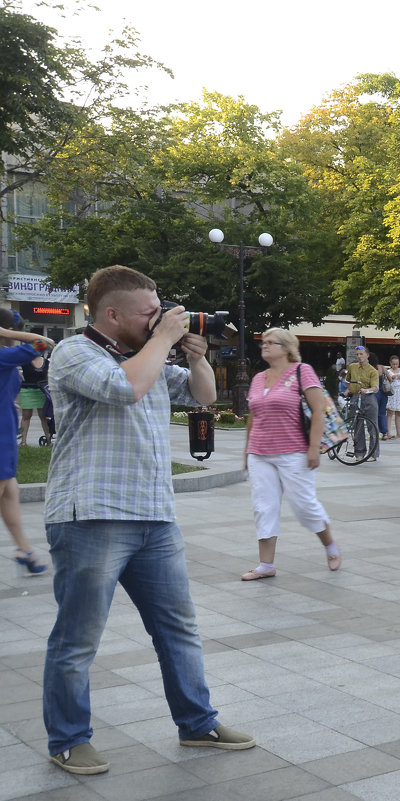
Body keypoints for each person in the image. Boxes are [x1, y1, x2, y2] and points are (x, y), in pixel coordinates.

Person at [41, 265, 254, 775]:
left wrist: (197, 358)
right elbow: (125, 389)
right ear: (111, 314)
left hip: (155, 517)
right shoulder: (74, 353)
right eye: (148, 313)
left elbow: (202, 397)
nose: (159, 319)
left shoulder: (150, 355)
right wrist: (162, 340)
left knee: (178, 629)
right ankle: (69, 739)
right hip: (91, 517)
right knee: (77, 639)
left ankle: (197, 723)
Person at [241, 328, 340, 581]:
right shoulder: (258, 378)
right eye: (263, 342)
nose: (264, 346)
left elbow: (319, 410)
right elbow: (253, 417)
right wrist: (246, 451)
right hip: (259, 453)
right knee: (263, 507)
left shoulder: (301, 371)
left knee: (304, 506)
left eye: (270, 342)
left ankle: (330, 545)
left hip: (294, 451)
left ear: (286, 348)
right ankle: (266, 565)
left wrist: (313, 448)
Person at [0, 309, 52, 574]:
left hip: (6, 429)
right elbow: (43, 343)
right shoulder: (3, 355)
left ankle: (24, 549)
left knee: (9, 492)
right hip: (1, 433)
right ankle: (25, 549)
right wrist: (8, 333)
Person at [344, 345, 380, 461]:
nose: (359, 356)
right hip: (356, 397)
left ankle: (373, 454)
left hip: (369, 398)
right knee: (357, 426)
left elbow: (375, 388)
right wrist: (349, 389)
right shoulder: (352, 367)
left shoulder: (373, 371)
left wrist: (366, 390)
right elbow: (347, 379)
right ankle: (359, 453)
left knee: (372, 426)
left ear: (367, 355)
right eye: (357, 354)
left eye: (361, 354)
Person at [18, 352, 49, 446]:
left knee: (44, 416)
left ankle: (48, 440)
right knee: (26, 416)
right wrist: (20, 376)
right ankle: (23, 442)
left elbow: (48, 376)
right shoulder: (25, 361)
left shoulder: (47, 362)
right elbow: (12, 366)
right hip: (27, 390)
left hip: (41, 391)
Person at [383, 354, 400, 439]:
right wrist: (392, 378)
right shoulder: (388, 371)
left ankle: (399, 433)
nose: (395, 366)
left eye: (396, 364)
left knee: (399, 412)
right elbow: (386, 383)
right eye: (393, 364)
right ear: (390, 363)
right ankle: (388, 432)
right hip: (392, 392)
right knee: (390, 412)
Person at [370, 352, 389, 439]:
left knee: (374, 413)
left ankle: (376, 432)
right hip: (384, 393)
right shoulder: (382, 368)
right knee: (382, 413)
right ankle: (384, 433)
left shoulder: (370, 369)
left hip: (375, 393)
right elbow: (390, 379)